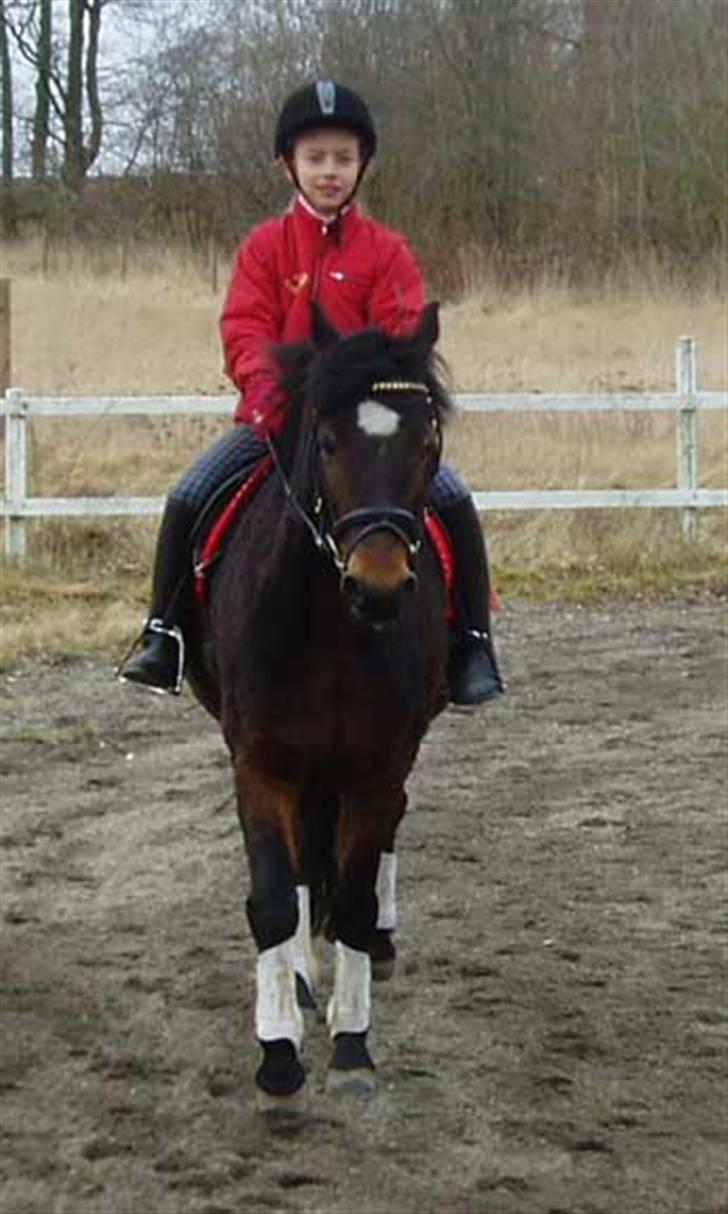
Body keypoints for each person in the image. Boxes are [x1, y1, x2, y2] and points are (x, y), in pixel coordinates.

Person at [119, 79, 504, 706]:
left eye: (343, 158)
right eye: (316, 158)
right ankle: (165, 636)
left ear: (362, 166)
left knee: (454, 499)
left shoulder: (387, 252)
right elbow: (244, 327)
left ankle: (472, 644)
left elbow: (403, 334)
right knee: (188, 494)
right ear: (288, 164)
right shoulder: (265, 248)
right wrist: (269, 392)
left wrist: (380, 392)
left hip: (365, 431)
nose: (330, 171)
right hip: (274, 422)